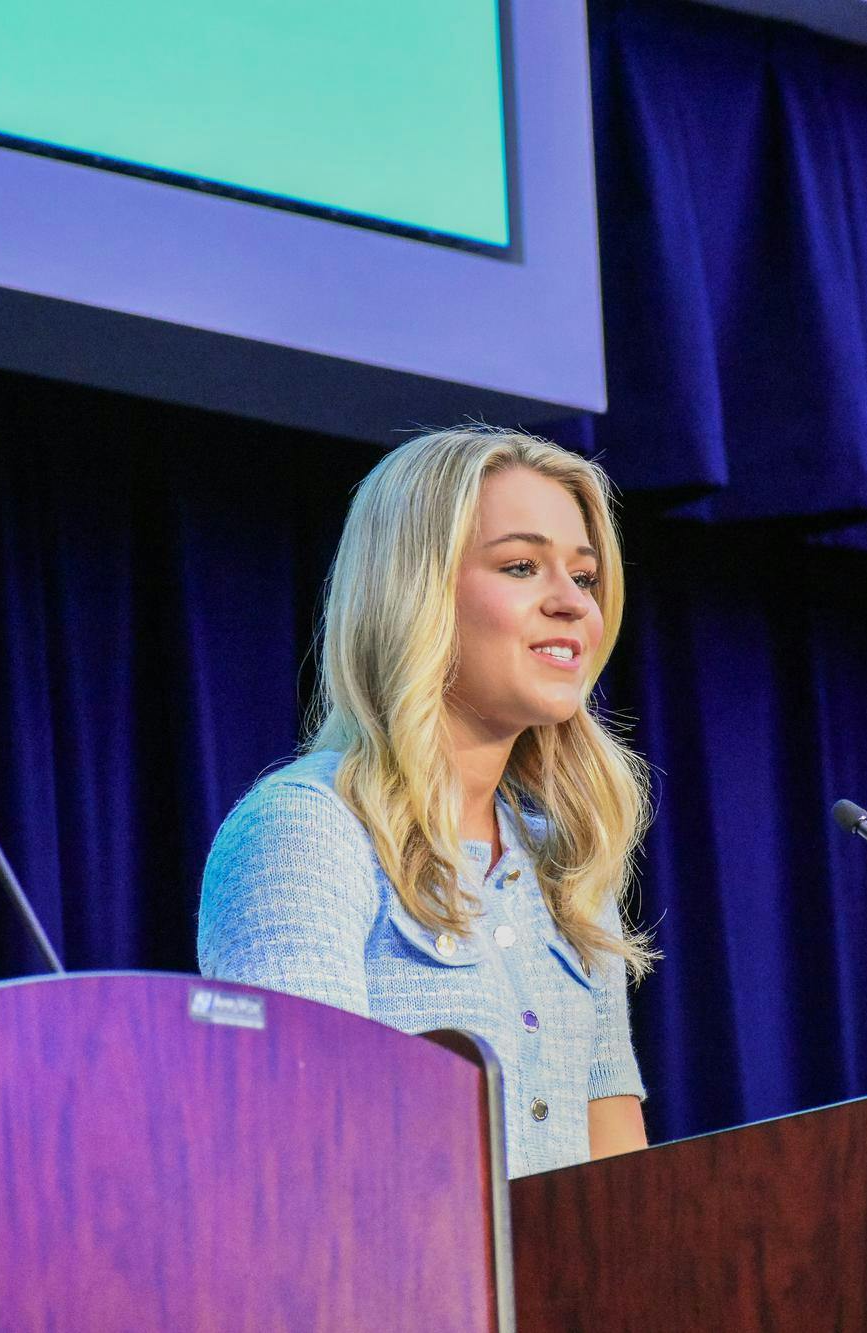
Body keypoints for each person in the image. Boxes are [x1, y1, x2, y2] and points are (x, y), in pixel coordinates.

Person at [199, 426, 653, 1176]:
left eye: (585, 576)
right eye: (521, 565)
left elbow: (628, 1190)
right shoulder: (307, 830)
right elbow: (295, 1152)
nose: (573, 604)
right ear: (414, 592)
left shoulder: (567, 861)